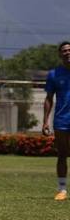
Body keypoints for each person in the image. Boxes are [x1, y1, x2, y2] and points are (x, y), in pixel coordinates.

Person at [42, 41, 70, 201]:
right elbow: (48, 99)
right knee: (62, 155)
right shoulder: (54, 74)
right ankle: (62, 190)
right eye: (64, 51)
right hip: (61, 120)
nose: (67, 53)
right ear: (60, 55)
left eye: (69, 50)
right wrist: (45, 122)